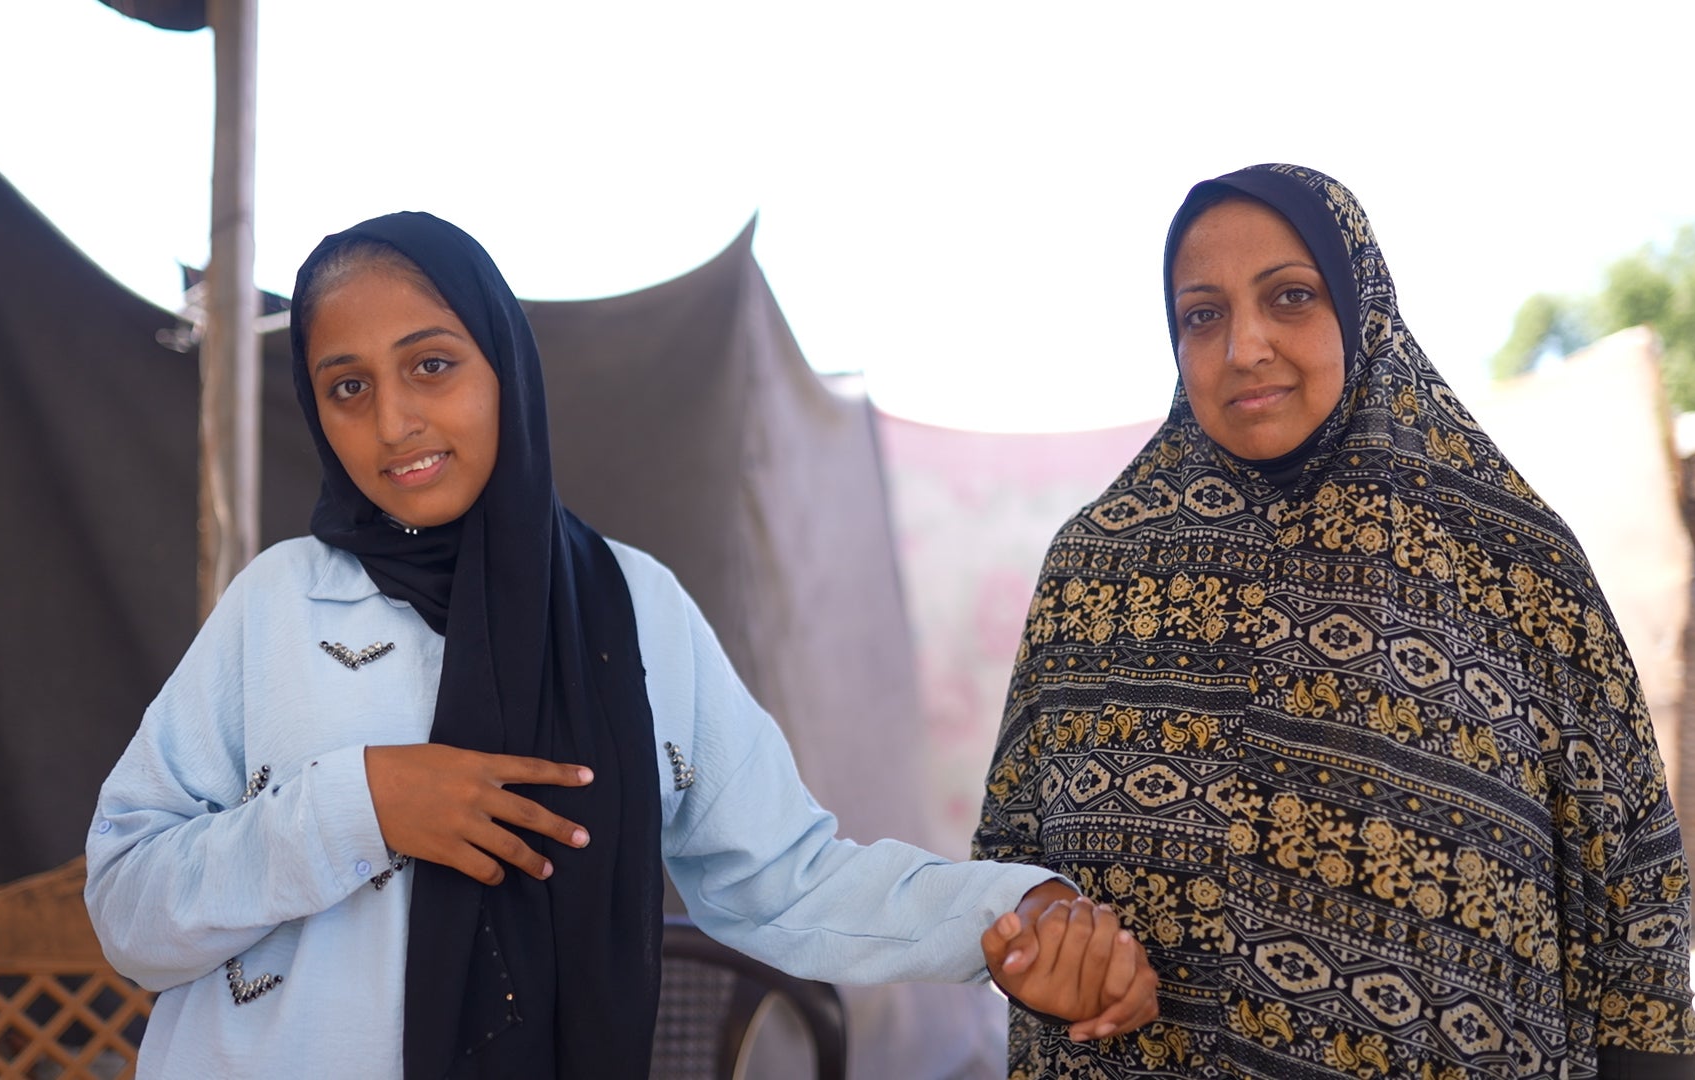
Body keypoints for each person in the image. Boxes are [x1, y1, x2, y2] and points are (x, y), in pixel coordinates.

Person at [84, 211, 1159, 1080]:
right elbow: (129, 909)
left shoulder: (631, 614)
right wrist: (360, 807)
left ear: (503, 366)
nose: (395, 421)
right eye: (347, 387)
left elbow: (786, 880)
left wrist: (1011, 911)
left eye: (431, 365)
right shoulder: (278, 606)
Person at [973, 164, 1695, 1079]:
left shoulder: (1518, 573)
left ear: (1364, 309)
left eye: (1290, 297)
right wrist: (1042, 943)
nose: (1245, 346)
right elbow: (1008, 859)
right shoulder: (1093, 572)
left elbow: (1640, 907)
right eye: (1202, 314)